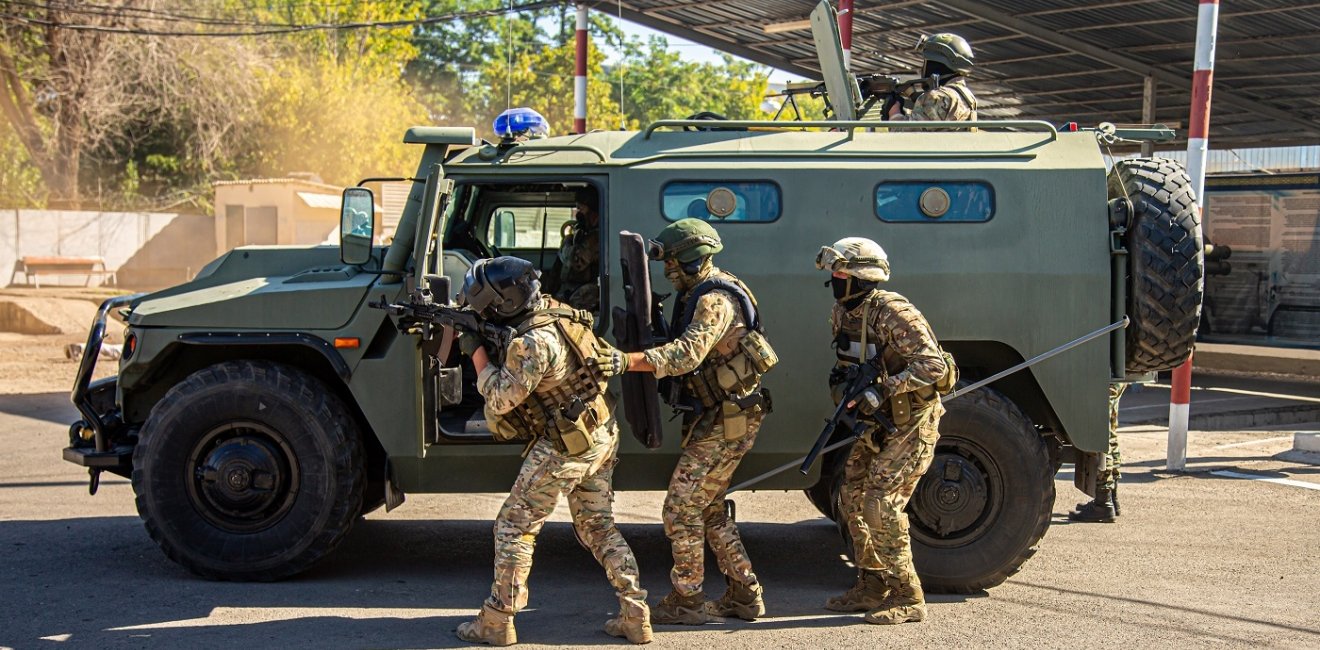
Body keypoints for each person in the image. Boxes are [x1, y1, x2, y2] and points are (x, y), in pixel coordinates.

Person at [452, 256, 651, 646]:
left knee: (514, 526)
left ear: (504, 302)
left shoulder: (532, 343)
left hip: (568, 445)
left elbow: (500, 398)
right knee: (598, 526)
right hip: (600, 432)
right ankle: (635, 613)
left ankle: (497, 621)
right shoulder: (559, 311)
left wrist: (475, 352)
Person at [618, 218, 776, 625]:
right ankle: (744, 593)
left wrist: (627, 362)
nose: (668, 270)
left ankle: (687, 599)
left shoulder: (714, 301)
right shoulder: (697, 290)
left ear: (691, 260)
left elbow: (686, 356)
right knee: (706, 509)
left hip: (729, 419)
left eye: (672, 262)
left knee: (679, 509)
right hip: (721, 416)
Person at [816, 237, 948, 625]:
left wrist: (883, 389)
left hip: (912, 422)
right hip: (877, 422)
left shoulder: (893, 312)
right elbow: (847, 363)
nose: (835, 280)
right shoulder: (843, 312)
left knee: (880, 503)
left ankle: (908, 595)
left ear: (861, 278)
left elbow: (933, 366)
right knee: (851, 494)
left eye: (840, 273)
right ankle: (872, 584)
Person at [888, 33, 978, 123]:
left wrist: (894, 113)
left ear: (935, 63)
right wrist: (914, 96)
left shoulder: (937, 97)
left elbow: (906, 133)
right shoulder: (967, 96)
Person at [1069, 382, 1127, 522]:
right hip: (1116, 377)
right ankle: (1112, 498)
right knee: (1110, 433)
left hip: (1105, 377)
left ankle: (1103, 502)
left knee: (1101, 436)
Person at [549, 186, 601, 312]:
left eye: (581, 208)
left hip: (589, 289)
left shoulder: (597, 236)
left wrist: (567, 241)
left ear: (592, 210)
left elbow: (576, 262)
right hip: (576, 285)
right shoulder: (586, 232)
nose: (578, 212)